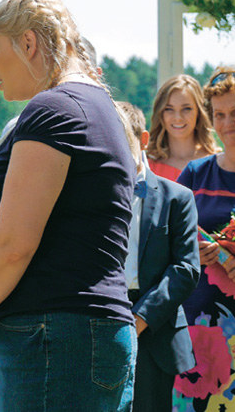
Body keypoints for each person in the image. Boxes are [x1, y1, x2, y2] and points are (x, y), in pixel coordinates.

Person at [0, 0, 138, 411]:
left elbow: (13, 247)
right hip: (80, 335)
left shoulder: (55, 109)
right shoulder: (99, 106)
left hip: (56, 340)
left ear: (29, 44)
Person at [116, 101, 200, 411]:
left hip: (154, 329)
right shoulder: (95, 198)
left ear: (144, 139)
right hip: (105, 321)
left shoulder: (177, 197)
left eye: (122, 138)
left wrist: (140, 319)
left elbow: (186, 268)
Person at [173, 66, 235, 411]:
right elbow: (167, 236)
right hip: (201, 325)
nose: (227, 124)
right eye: (220, 115)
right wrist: (191, 250)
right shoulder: (196, 174)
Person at [147, 74, 218, 181]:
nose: (178, 118)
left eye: (187, 109)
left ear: (199, 112)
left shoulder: (216, 164)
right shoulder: (146, 167)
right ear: (160, 113)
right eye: (169, 109)